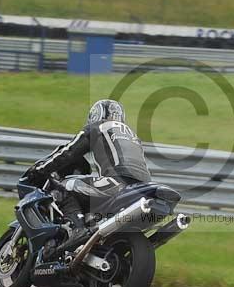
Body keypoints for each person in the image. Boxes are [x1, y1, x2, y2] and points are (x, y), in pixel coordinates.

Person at [20, 99, 151, 254]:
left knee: (66, 185)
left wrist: (40, 169)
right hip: (142, 187)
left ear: (96, 114)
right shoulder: (133, 136)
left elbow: (67, 153)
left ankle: (76, 229)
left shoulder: (96, 127)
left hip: (116, 183)